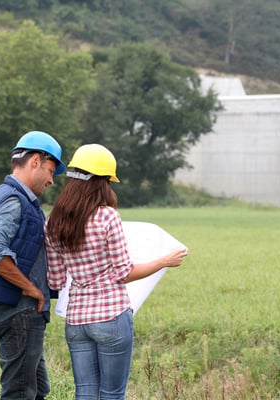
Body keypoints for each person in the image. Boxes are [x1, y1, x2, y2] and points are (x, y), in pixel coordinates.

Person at [44, 144, 188, 400]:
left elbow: (55, 279)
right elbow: (124, 272)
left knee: (85, 393)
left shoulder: (53, 221)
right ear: (100, 182)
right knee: (112, 395)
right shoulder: (107, 217)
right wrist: (164, 261)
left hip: (76, 321)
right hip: (111, 317)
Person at [0, 131, 66, 400]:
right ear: (35, 161)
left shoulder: (14, 197)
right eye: (50, 171)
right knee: (20, 392)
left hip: (18, 312)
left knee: (37, 389)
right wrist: (30, 288)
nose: (50, 181)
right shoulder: (13, 200)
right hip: (18, 311)